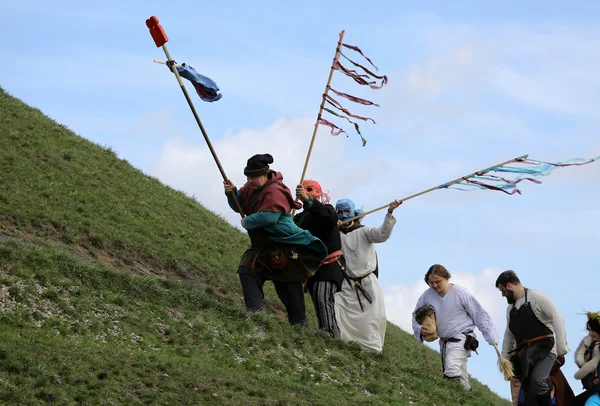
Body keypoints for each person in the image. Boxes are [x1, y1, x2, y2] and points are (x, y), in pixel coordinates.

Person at [223, 153, 327, 326]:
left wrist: (247, 221)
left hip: (284, 247)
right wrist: (231, 193)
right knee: (247, 270)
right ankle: (254, 314)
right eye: (248, 176)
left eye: (254, 177)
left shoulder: (276, 190)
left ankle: (299, 326)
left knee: (289, 287)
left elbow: (269, 217)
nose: (250, 180)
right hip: (261, 246)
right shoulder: (250, 188)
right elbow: (239, 205)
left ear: (265, 175)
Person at [411, 264, 499, 391]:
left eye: (438, 281)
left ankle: (450, 398)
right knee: (462, 379)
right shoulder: (427, 295)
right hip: (444, 342)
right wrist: (419, 328)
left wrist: (491, 336)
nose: (434, 285)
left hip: (462, 339)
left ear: (446, 278)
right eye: (431, 282)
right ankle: (467, 398)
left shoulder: (460, 293)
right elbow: (415, 314)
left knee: (451, 368)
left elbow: (479, 314)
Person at [333, 197, 401, 353]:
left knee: (371, 320)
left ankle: (371, 350)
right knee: (338, 310)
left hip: (367, 284)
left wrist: (390, 212)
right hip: (347, 284)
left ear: (353, 212)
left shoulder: (364, 231)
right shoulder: (335, 234)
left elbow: (382, 234)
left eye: (346, 211)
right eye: (339, 212)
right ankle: (344, 344)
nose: (343, 215)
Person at [496, 270, 569, 406]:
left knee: (538, 380)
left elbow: (557, 318)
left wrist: (561, 346)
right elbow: (509, 334)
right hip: (526, 355)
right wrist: (504, 360)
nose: (502, 294)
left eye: (502, 290)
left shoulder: (536, 297)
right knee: (528, 388)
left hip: (546, 349)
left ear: (509, 286)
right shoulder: (510, 309)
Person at [293, 180, 344, 338]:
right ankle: (328, 332)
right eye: (303, 190)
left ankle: (329, 333)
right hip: (310, 266)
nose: (306, 193)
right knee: (317, 298)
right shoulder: (300, 218)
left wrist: (309, 201)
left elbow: (328, 218)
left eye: (310, 190)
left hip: (329, 265)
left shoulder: (327, 211)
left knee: (323, 297)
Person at [570, 312, 600, 406]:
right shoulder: (591, 346)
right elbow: (580, 360)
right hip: (595, 390)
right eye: (589, 330)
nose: (590, 334)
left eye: (593, 330)